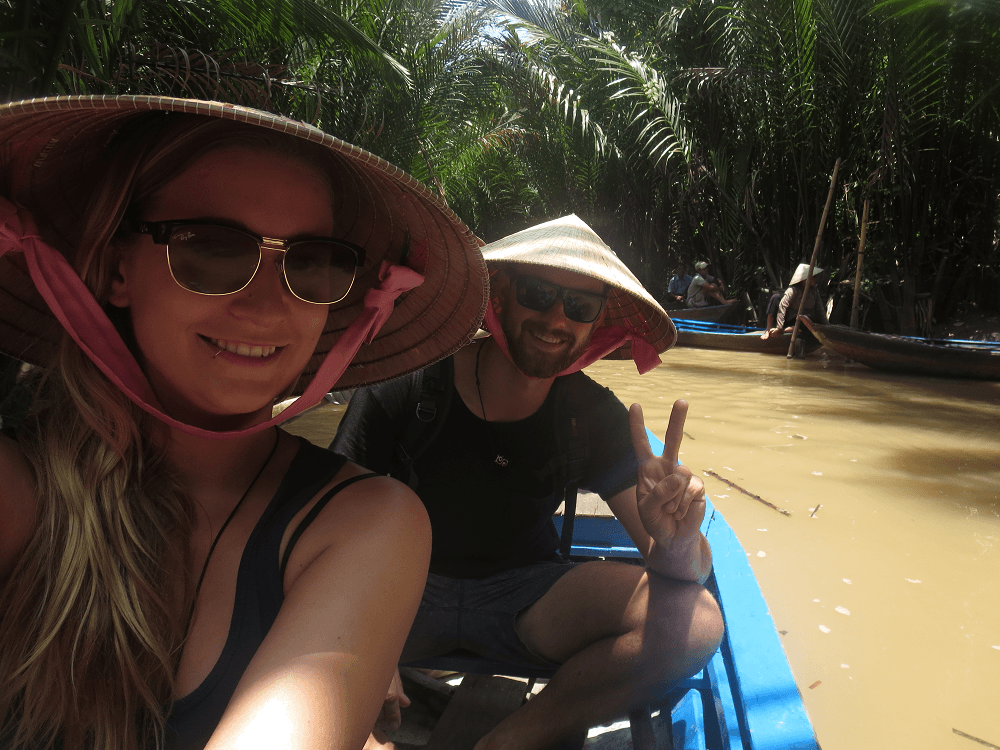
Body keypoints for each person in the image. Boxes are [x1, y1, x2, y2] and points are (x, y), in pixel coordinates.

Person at [0, 96, 488, 750]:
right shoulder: (20, 488)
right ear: (119, 269)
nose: (266, 305)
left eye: (312, 262)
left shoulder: (367, 521)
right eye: (210, 248)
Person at [332, 215, 725, 750]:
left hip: (528, 598)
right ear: (502, 295)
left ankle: (514, 738)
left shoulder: (592, 415)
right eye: (539, 293)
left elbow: (684, 571)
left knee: (696, 621)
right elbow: (327, 524)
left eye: (580, 306)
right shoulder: (407, 383)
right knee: (260, 573)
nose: (556, 318)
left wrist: (677, 538)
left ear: (594, 326)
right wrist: (363, 650)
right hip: (400, 593)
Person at [769, 263, 828, 336]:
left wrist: (826, 325)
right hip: (793, 320)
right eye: (813, 277)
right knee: (805, 324)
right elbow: (782, 306)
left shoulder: (814, 291)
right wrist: (779, 327)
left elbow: (820, 308)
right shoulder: (793, 290)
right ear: (805, 279)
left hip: (807, 320)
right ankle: (783, 331)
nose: (816, 279)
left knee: (815, 322)